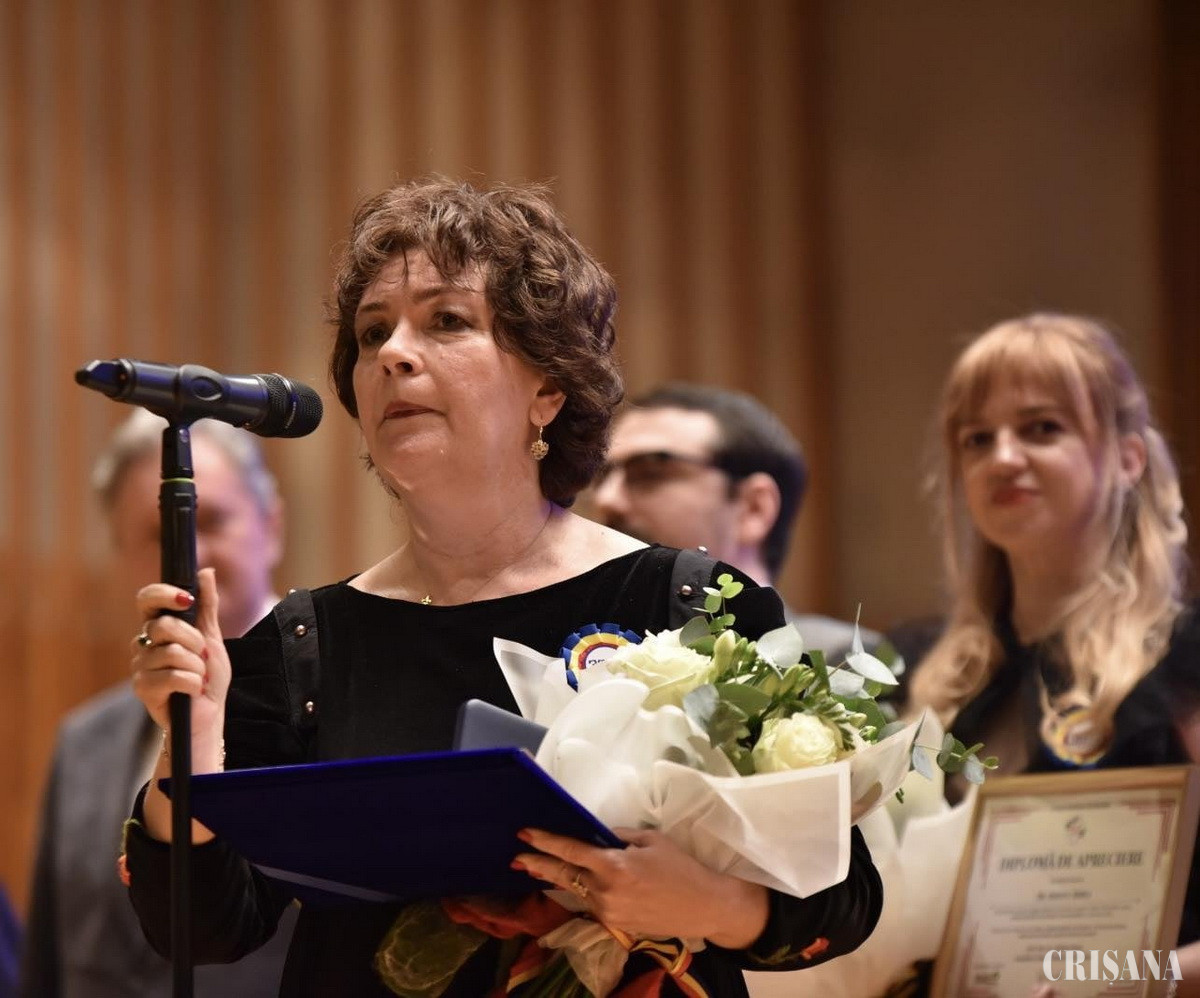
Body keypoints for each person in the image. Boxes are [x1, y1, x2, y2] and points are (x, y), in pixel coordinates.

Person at [120, 178, 882, 997]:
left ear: (548, 388)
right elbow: (204, 930)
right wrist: (193, 742)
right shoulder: (303, 644)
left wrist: (713, 904)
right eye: (372, 333)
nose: (393, 353)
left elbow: (844, 902)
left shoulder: (692, 606)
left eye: (447, 321)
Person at [905, 312, 1200, 979]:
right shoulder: (923, 672)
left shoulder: (1189, 664)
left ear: (1128, 458)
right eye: (978, 439)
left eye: (1042, 428)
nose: (1003, 458)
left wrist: (1125, 979)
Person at [20, 409, 295, 998]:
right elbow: (46, 963)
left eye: (211, 520)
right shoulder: (83, 741)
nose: (186, 555)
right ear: (121, 555)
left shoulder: (327, 706)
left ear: (271, 525)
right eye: (157, 534)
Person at [592, 382, 878, 663]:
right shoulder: (589, 652)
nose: (606, 499)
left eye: (650, 471)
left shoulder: (840, 661)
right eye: (600, 476)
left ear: (754, 509)